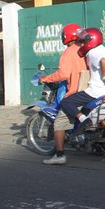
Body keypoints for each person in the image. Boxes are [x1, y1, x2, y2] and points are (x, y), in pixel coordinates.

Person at [41, 23, 87, 165]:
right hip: (90, 90)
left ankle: (59, 155)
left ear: (66, 36)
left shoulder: (68, 52)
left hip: (76, 92)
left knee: (59, 122)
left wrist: (46, 78)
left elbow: (63, 74)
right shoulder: (85, 49)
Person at [59, 27, 105, 137]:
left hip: (95, 91)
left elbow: (103, 61)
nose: (82, 44)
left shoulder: (93, 52)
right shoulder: (104, 49)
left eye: (84, 41)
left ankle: (83, 119)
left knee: (66, 102)